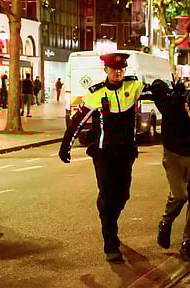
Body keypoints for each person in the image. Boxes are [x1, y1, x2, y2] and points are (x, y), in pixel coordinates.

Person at [58, 53, 145, 263]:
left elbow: (157, 91)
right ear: (106, 70)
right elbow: (77, 122)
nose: (118, 72)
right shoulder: (95, 94)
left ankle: (107, 212)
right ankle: (111, 244)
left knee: (123, 195)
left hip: (125, 154)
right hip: (103, 154)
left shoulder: (133, 88)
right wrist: (65, 147)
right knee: (108, 195)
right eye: (114, 69)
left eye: (122, 69)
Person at [145, 81, 190, 262]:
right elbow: (158, 91)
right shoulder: (172, 107)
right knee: (179, 195)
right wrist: (158, 86)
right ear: (186, 107)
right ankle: (166, 223)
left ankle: (188, 241)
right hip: (174, 156)